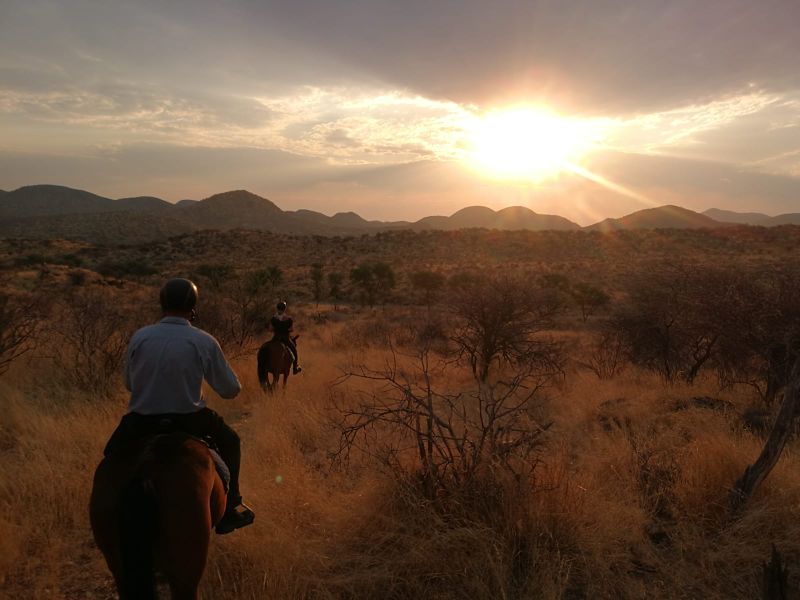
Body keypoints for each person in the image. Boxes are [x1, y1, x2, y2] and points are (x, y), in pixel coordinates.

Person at [103, 278, 254, 535]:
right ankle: (231, 507)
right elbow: (230, 390)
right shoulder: (203, 340)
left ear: (162, 304)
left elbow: (129, 383)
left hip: (141, 419)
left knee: (110, 457)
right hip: (189, 419)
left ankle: (107, 512)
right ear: (193, 307)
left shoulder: (140, 337)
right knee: (231, 441)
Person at [270, 301, 301, 374]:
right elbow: (291, 329)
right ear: (284, 309)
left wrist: (276, 329)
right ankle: (295, 368)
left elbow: (270, 329)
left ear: (277, 308)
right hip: (285, 338)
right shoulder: (288, 319)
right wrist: (285, 329)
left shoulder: (273, 318)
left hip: (276, 338)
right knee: (294, 351)